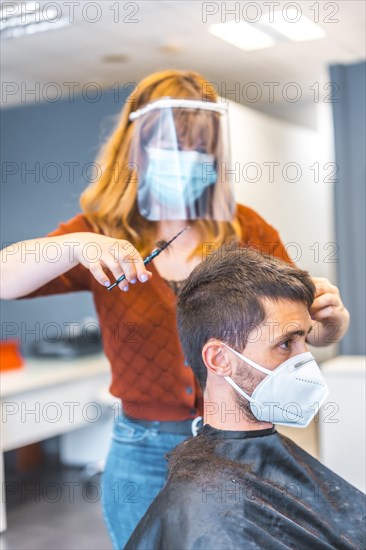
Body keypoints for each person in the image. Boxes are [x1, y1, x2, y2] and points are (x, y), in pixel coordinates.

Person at [0, 70, 350, 549]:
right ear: (135, 149)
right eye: (173, 146)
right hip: (142, 453)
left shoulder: (245, 229)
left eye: (199, 148)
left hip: (238, 444)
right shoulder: (101, 231)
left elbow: (295, 334)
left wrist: (329, 326)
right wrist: (77, 245)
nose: (187, 160)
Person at [125, 244, 364, 550]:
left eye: (304, 339)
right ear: (220, 359)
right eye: (285, 344)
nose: (306, 362)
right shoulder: (204, 509)